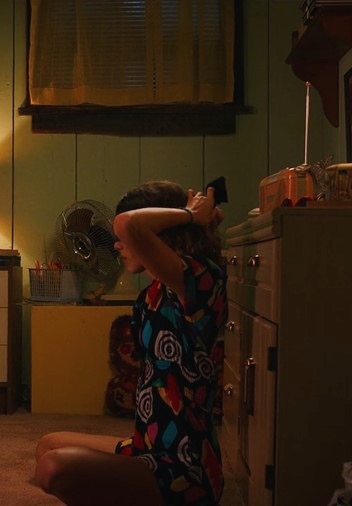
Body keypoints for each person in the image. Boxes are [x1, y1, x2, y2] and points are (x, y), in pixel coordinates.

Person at [35, 180, 228, 505]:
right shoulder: (156, 290)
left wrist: (191, 216)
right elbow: (129, 226)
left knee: (55, 468)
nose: (116, 244)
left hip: (183, 469)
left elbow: (128, 224)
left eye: (123, 238)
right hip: (147, 446)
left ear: (162, 233)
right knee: (48, 445)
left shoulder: (198, 280)